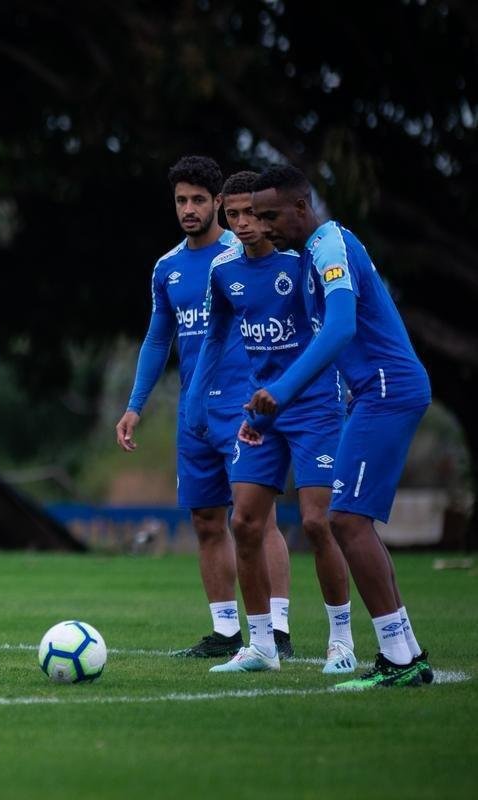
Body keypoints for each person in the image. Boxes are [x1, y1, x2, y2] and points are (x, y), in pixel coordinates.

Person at [247, 164, 433, 689]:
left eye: (271, 215)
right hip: (374, 392)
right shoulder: (316, 253)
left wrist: (279, 392)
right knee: (351, 522)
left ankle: (398, 659)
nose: (263, 226)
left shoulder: (330, 246)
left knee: (345, 521)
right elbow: (322, 344)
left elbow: (341, 328)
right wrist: (271, 409)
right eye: (256, 217)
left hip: (386, 389)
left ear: (302, 208)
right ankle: (407, 653)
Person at [115, 156, 294, 659]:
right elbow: (157, 340)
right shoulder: (167, 268)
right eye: (180, 200)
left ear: (219, 202)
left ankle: (277, 628)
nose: (188, 209)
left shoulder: (249, 255)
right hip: (194, 414)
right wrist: (135, 406)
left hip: (246, 410)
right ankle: (225, 632)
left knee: (258, 521)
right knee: (206, 522)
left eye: (198, 200)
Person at [185, 171, 354, 674]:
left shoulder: (301, 263)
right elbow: (214, 338)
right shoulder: (223, 271)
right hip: (261, 411)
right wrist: (196, 397)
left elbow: (333, 327)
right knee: (243, 522)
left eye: (253, 213)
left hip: (315, 407)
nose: (244, 224)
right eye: (233, 215)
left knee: (317, 523)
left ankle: (341, 642)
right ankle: (259, 645)